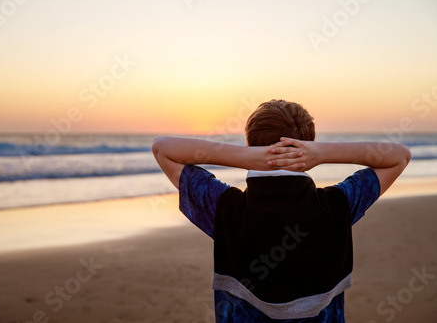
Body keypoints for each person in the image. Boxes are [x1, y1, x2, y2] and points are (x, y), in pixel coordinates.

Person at [152, 99, 411, 322]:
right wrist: (323, 153)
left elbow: (162, 148)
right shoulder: (337, 205)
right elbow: (399, 155)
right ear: (308, 149)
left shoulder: (225, 207)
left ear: (252, 145)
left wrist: (244, 156)